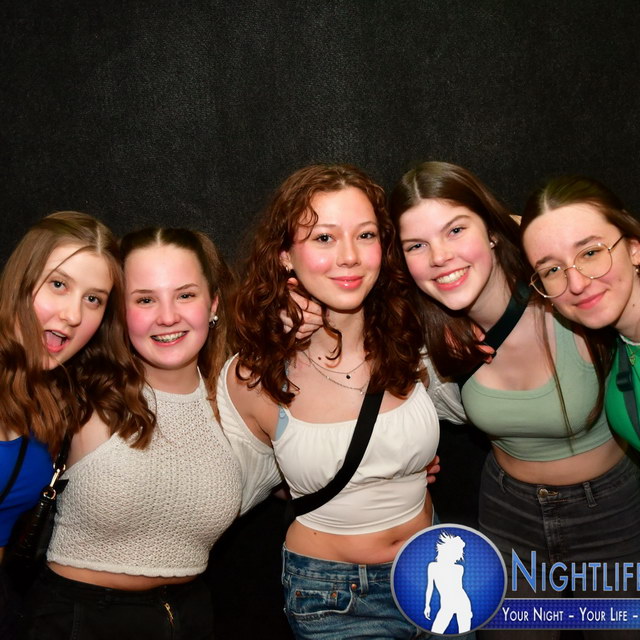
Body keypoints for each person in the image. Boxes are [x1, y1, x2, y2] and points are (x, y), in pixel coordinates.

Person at [387, 161, 640, 640]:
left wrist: (514, 226)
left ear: (492, 231)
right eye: (416, 245)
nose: (439, 256)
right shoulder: (426, 338)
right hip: (509, 514)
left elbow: (571, 231)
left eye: (456, 229)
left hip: (611, 513)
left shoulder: (567, 291)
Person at [218, 164, 463, 639]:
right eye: (324, 238)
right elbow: (227, 490)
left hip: (436, 569)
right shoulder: (255, 375)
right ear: (286, 256)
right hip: (336, 597)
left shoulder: (414, 338)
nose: (349, 257)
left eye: (365, 235)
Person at [22, 228, 261, 640]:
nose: (167, 317)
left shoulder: (240, 402)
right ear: (119, 312)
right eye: (145, 299)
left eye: (185, 295)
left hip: (191, 617)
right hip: (79, 621)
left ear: (213, 303)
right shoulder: (76, 391)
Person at [0, 211, 148, 637]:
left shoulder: (53, 397)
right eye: (58, 285)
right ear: (21, 280)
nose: (72, 315)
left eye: (93, 299)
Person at [521, 176, 640, 452]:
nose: (576, 284)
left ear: (634, 249)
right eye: (552, 270)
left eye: (590, 253)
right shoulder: (622, 346)